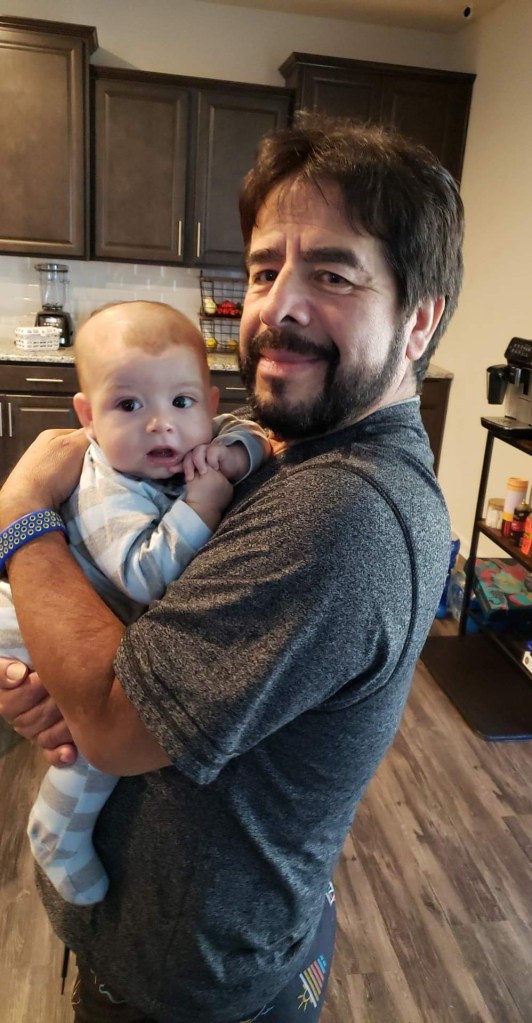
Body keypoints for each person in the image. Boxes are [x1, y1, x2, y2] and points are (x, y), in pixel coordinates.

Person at [0, 112, 464, 1023]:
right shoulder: (285, 444)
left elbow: (114, 726)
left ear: (418, 320)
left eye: (331, 274)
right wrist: (48, 665)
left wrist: (20, 517)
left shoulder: (340, 512)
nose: (276, 307)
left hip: (185, 988)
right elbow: (140, 654)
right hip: (217, 938)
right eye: (262, 270)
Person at [0, 299, 270, 907]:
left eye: (182, 402)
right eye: (128, 406)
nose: (161, 425)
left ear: (207, 400)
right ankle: (56, 832)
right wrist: (201, 503)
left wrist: (234, 454)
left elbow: (248, 432)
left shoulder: (195, 437)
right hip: (23, 618)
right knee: (96, 733)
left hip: (68, 609)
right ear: (87, 417)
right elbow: (144, 576)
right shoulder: (107, 483)